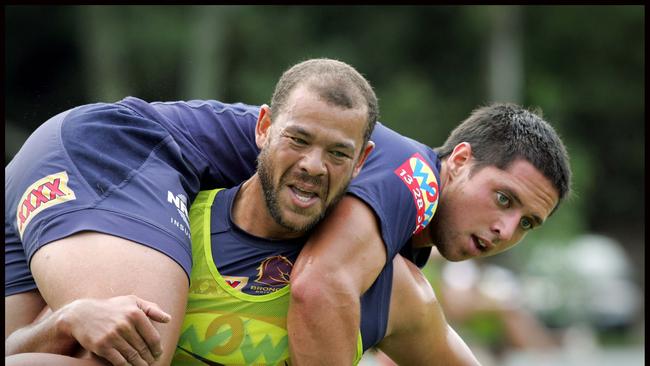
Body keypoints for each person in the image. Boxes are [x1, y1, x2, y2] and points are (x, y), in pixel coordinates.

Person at [6, 57, 572, 364]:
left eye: (526, 222)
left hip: (65, 160)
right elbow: (320, 287)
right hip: (115, 153)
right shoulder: (415, 175)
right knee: (138, 351)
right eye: (503, 198)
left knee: (51, 345)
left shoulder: (401, 248)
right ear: (460, 161)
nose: (504, 228)